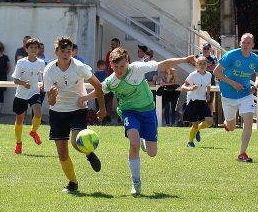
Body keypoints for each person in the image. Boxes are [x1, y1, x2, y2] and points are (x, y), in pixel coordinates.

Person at [80, 47, 195, 195]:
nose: (119, 70)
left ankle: (143, 140)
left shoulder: (137, 68)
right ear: (110, 65)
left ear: (127, 62)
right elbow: (99, 90)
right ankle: (136, 182)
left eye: (122, 66)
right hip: (129, 112)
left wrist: (185, 60)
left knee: (152, 153)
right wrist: (84, 98)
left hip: (147, 111)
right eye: (115, 67)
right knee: (133, 144)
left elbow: (163, 64)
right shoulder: (111, 81)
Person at [43, 36, 106, 193]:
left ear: (73, 52)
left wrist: (103, 109)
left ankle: (89, 153)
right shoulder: (49, 70)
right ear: (56, 52)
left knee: (77, 142)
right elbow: (50, 102)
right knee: (62, 153)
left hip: (78, 108)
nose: (66, 54)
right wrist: (52, 95)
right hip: (57, 111)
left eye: (69, 51)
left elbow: (98, 85)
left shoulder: (79, 67)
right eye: (63, 51)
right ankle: (73, 182)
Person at [213, 33, 258, 162]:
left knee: (248, 122)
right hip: (228, 95)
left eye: (248, 43)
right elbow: (216, 72)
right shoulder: (231, 55)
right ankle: (227, 123)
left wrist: (256, 85)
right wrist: (232, 83)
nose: (245, 45)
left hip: (245, 94)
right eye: (243, 42)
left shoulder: (256, 59)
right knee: (231, 127)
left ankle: (242, 153)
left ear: (253, 45)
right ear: (240, 43)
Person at [11, 38, 45, 155]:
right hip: (21, 94)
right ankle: (18, 143)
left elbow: (44, 74)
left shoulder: (41, 62)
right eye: (31, 47)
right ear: (26, 49)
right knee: (20, 120)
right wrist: (23, 83)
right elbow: (15, 80)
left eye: (36, 48)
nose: (34, 50)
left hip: (34, 92)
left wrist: (44, 84)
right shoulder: (21, 62)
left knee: (38, 112)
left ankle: (33, 131)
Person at [181, 56, 213, 147]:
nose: (202, 65)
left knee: (209, 121)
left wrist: (208, 93)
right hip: (192, 101)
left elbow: (208, 85)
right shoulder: (192, 75)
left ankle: (197, 130)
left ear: (207, 65)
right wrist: (190, 88)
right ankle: (190, 142)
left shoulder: (209, 75)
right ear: (196, 65)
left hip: (202, 101)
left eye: (204, 63)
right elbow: (183, 87)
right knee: (194, 125)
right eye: (200, 63)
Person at [202, 42, 218, 114]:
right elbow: (196, 67)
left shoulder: (213, 58)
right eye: (204, 48)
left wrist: (204, 67)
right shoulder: (199, 57)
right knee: (201, 101)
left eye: (207, 48)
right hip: (201, 83)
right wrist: (208, 65)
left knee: (210, 102)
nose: (206, 50)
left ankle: (211, 119)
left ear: (210, 49)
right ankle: (201, 118)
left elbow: (214, 68)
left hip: (211, 83)